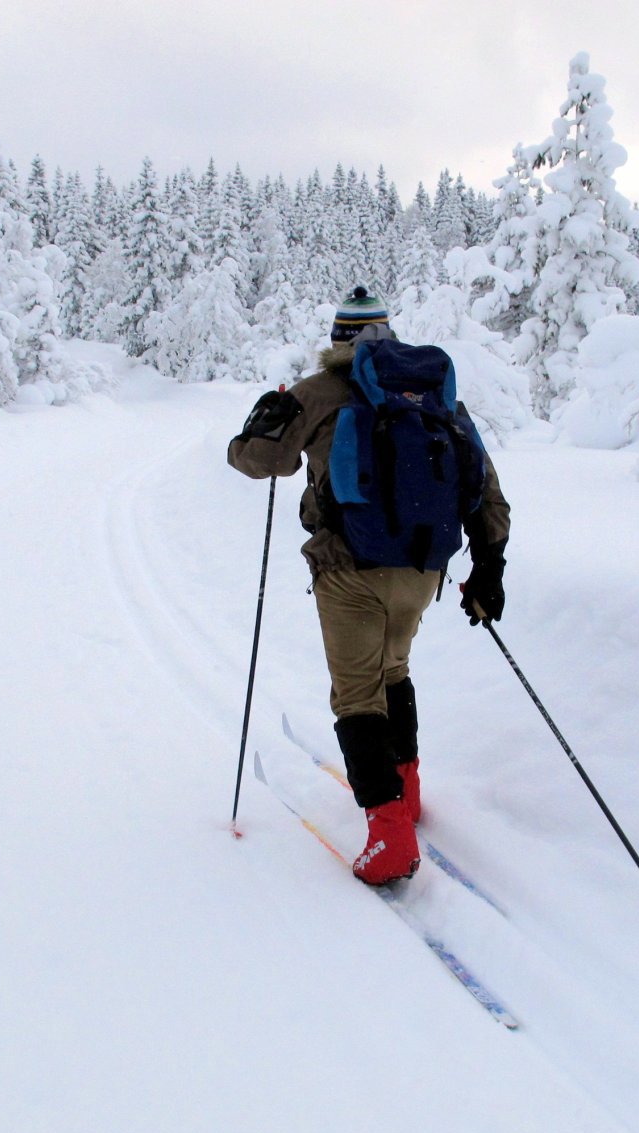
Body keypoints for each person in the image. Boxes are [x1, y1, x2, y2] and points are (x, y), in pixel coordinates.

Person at [227, 286, 511, 885]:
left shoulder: (319, 392)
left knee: (356, 697)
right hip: (423, 571)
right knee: (393, 674)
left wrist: (258, 423)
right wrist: (489, 569)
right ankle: (405, 794)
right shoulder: (437, 398)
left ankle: (390, 837)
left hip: (348, 571)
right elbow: (486, 490)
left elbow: (259, 461)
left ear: (338, 341)